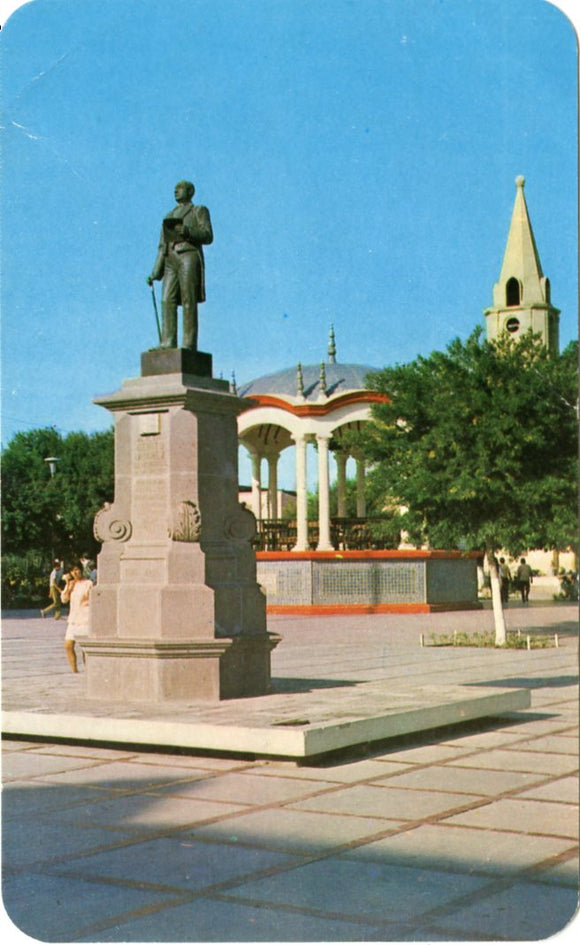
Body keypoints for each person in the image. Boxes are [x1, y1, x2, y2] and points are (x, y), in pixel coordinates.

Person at [147, 180, 213, 350]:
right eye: (175, 188)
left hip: (188, 255)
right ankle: (167, 341)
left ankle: (189, 343)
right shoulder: (169, 215)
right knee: (167, 299)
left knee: (188, 299)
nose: (176, 190)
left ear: (190, 191)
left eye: (180, 188)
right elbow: (162, 246)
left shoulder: (198, 210)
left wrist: (188, 232)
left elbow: (207, 235)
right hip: (170, 260)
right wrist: (155, 272)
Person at [60, 563, 92, 673]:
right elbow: (64, 599)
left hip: (85, 619)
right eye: (72, 571)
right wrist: (68, 587)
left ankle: (89, 670)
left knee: (85, 648)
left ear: (81, 570)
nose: (75, 573)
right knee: (68, 645)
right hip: (73, 620)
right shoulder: (71, 584)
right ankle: (74, 670)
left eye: (76, 569)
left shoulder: (89, 583)